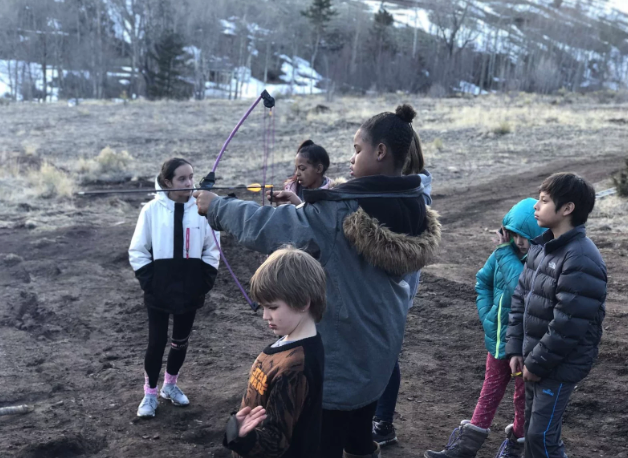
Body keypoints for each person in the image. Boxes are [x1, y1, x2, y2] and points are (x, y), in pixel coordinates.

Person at [195, 104, 441, 458]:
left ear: (381, 152)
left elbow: (270, 227)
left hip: (338, 375)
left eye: (358, 149)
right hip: (376, 361)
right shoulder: (414, 203)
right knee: (359, 438)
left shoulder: (342, 212)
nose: (351, 158)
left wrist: (217, 207)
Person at [424, 198, 546, 458]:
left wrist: (503, 251)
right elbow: (482, 282)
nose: (520, 242)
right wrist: (487, 314)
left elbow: (518, 288)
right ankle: (466, 447)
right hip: (499, 338)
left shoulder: (538, 261)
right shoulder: (501, 254)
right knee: (489, 390)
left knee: (521, 398)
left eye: (526, 236)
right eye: (515, 235)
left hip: (526, 345)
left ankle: (516, 447)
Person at [506, 172, 606, 458]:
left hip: (558, 364)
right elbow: (520, 299)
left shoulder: (581, 258)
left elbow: (567, 325)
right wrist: (516, 347)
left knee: (541, 437)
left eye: (544, 200)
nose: (536, 206)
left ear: (567, 209)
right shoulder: (540, 248)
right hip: (534, 357)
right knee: (532, 434)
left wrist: (536, 364)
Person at [129, 158, 220, 417]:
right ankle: (149, 394)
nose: (189, 183)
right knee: (156, 343)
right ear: (167, 182)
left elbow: (212, 249)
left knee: (180, 341)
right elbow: (137, 250)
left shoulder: (202, 209)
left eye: (191, 177)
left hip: (191, 288)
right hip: (159, 290)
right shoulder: (150, 211)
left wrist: (204, 281)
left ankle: (170, 385)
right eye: (182, 179)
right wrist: (150, 283)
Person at [223, 246, 326, 458]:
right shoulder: (291, 341)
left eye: (272, 307)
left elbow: (277, 443)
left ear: (303, 302)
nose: (265, 316)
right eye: (262, 307)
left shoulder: (294, 368)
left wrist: (239, 437)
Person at [372, 161, 434, 447]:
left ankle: (382, 422)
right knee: (379, 353)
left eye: (360, 151)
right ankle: (378, 420)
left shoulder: (410, 198)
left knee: (384, 354)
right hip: (388, 294)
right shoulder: (409, 194)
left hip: (390, 293)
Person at [280, 139, 332, 205]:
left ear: (319, 169)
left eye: (302, 168)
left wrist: (298, 205)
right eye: (296, 168)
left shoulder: (332, 195)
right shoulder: (292, 190)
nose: (297, 173)